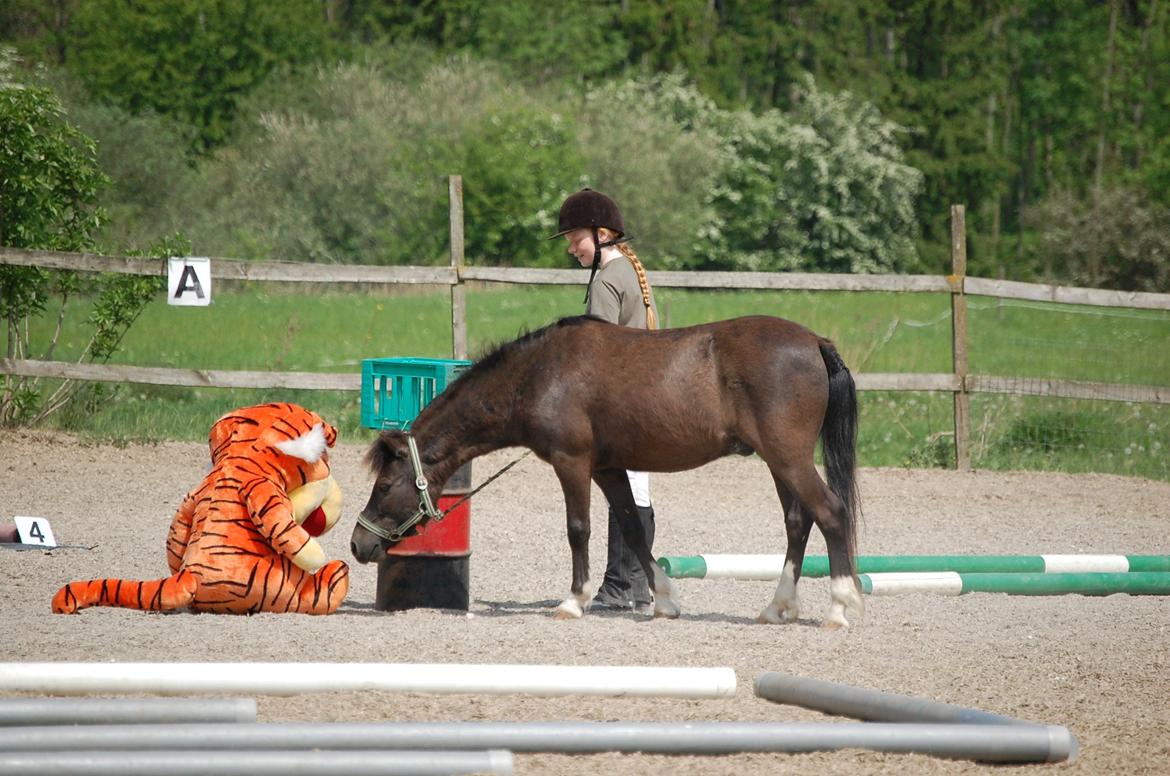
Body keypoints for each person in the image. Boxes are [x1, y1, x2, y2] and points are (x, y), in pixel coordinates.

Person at [549, 187, 659, 612]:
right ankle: (633, 584)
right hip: (645, 394)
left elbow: (593, 355)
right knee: (638, 489)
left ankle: (618, 585)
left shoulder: (606, 280)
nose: (571, 248)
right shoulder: (632, 273)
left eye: (576, 238)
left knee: (622, 488)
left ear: (603, 233)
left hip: (621, 402)